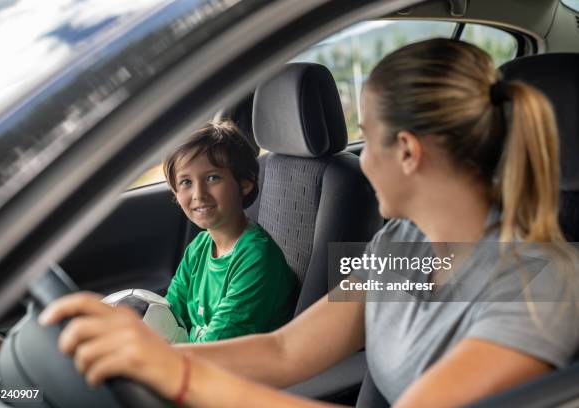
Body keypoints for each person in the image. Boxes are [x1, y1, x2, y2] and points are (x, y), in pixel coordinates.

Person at [39, 39, 579, 407]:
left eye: (368, 136)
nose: (361, 160)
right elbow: (287, 350)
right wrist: (153, 359)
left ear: (408, 152)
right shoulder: (401, 247)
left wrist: (179, 376)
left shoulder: (540, 284)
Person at [162, 121, 297, 342]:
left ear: (244, 183)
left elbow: (216, 345)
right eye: (186, 182)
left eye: (212, 178)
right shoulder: (198, 248)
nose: (198, 194)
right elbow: (168, 315)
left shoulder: (255, 257)